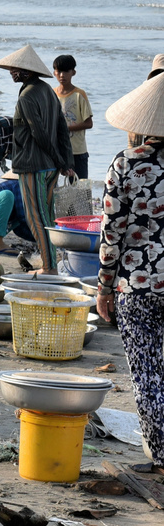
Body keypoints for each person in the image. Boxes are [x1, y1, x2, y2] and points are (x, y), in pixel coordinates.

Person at [95, 75, 164, 460]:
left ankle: (161, 452)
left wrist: (104, 287)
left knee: (147, 375)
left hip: (138, 289)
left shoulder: (127, 164)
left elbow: (111, 232)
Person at [0, 43, 76, 271]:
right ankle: (51, 261)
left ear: (27, 71)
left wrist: (61, 160)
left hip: (34, 167)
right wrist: (64, 161)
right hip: (50, 167)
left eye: (15, 69)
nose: (12, 73)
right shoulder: (47, 91)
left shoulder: (27, 96)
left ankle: (49, 266)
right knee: (48, 217)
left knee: (36, 219)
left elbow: (39, 133)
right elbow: (62, 129)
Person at [53, 53, 93, 179]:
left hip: (77, 151)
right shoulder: (52, 94)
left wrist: (66, 128)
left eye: (66, 71)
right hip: (57, 151)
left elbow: (89, 123)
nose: (62, 75)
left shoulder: (79, 95)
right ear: (54, 72)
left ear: (73, 72)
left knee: (79, 189)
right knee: (55, 188)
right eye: (58, 71)